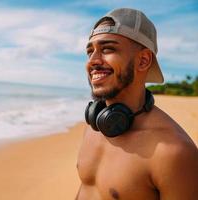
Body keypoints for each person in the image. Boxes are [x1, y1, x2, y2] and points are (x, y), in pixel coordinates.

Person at [76, 8, 198, 200]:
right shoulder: (95, 127)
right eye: (90, 52)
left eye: (107, 49)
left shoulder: (174, 152)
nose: (93, 61)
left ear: (143, 60)